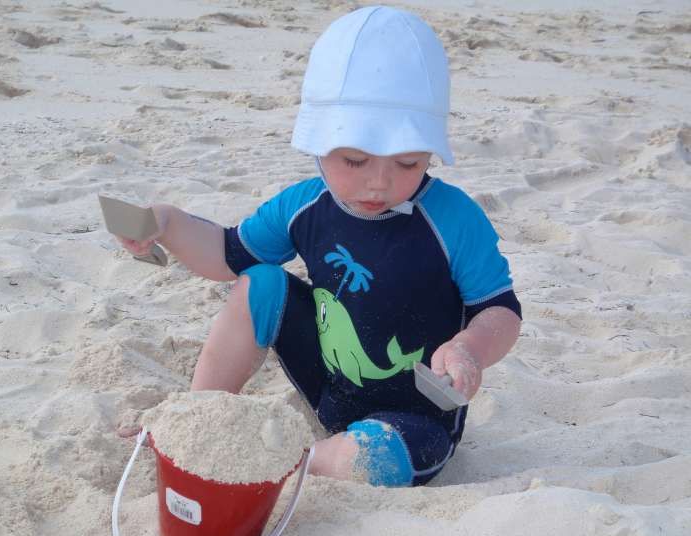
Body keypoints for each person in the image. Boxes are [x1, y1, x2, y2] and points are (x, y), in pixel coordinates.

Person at [118, 5, 521, 487]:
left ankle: (299, 460)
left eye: (409, 162)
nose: (379, 182)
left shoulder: (453, 219)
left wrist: (470, 348)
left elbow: (499, 308)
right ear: (317, 143)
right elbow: (229, 256)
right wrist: (165, 222)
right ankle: (198, 414)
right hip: (329, 388)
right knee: (261, 281)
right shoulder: (305, 205)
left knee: (372, 459)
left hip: (416, 418)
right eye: (354, 159)